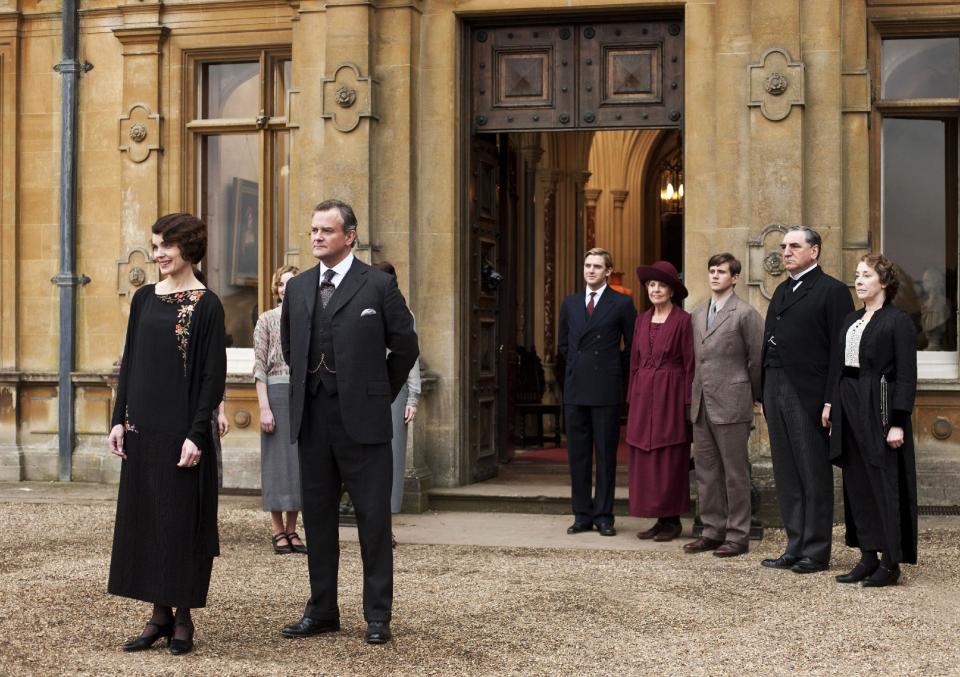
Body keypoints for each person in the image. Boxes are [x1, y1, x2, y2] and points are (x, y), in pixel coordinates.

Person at [279, 199, 419, 645]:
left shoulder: (377, 285)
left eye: (326, 230)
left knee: (373, 522)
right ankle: (322, 610)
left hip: (364, 423)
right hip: (313, 420)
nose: (317, 237)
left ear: (350, 236)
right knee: (317, 521)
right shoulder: (299, 288)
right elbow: (288, 346)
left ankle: (377, 615)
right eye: (313, 230)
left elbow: (405, 346)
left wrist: (378, 393)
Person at [107, 213, 227, 656]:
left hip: (182, 433)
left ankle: (183, 619)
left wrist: (198, 434)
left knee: (181, 525)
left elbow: (212, 378)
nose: (158, 253)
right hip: (142, 430)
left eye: (165, 246)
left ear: (189, 248)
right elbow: (130, 361)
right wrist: (118, 419)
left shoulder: (207, 303)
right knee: (147, 522)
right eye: (155, 244)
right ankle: (158, 616)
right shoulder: (143, 298)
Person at [761, 226, 853, 574]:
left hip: (809, 393)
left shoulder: (831, 292)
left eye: (795, 246)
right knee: (787, 472)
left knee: (813, 472)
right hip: (775, 386)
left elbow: (839, 352)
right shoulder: (783, 290)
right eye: (784, 246)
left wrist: (832, 400)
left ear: (814, 251)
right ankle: (795, 545)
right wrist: (764, 391)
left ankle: (816, 551)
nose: (786, 251)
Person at [829, 254, 918, 587]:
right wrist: (831, 405)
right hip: (849, 401)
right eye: (857, 275)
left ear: (884, 281)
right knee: (857, 482)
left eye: (866, 275)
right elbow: (839, 367)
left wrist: (897, 421)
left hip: (878, 404)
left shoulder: (898, 321)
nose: (859, 280)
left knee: (883, 482)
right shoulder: (851, 319)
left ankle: (890, 561)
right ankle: (867, 556)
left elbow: (907, 375)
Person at [684, 253, 763, 557]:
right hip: (702, 403)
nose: (715, 276)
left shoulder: (745, 314)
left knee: (735, 472)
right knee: (706, 471)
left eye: (721, 272)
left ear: (735, 277)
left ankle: (738, 534)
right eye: (712, 271)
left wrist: (752, 395)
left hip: (733, 402)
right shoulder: (697, 313)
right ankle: (712, 530)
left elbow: (756, 360)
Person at [557, 248, 636, 536]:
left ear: (608, 271)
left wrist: (616, 373)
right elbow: (563, 345)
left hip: (606, 387)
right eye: (587, 265)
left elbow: (632, 345)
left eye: (597, 266)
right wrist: (578, 366)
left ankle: (604, 515)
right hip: (576, 386)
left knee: (605, 455)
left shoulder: (622, 304)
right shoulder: (570, 303)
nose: (591, 270)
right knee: (577, 455)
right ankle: (581, 515)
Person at [626, 260, 694, 542]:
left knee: (670, 457)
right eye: (651, 285)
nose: (655, 290)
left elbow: (691, 363)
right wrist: (631, 397)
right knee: (646, 457)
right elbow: (634, 362)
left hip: (671, 394)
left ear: (672, 290)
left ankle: (672, 520)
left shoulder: (683, 321)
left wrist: (688, 402)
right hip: (643, 396)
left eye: (661, 285)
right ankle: (658, 516)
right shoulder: (641, 320)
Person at [254, 265, 307, 555]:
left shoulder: (307, 319)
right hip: (274, 394)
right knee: (276, 465)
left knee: (298, 464)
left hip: (300, 395)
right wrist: (264, 408)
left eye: (292, 284)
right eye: (282, 284)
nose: (286, 289)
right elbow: (259, 367)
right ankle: (277, 530)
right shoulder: (266, 320)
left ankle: (292, 529)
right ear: (276, 289)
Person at [372, 261, 422, 521]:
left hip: (394, 389)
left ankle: (386, 519)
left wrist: (412, 397)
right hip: (362, 389)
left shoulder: (402, 313)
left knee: (391, 457)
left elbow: (410, 357)